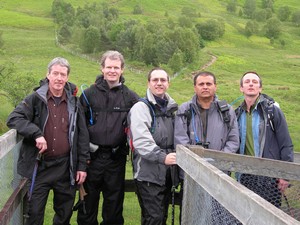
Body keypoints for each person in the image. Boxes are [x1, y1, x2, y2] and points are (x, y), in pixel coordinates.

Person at [6, 57, 90, 225]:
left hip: (66, 167)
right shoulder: (35, 99)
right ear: (48, 75)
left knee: (64, 215)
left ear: (67, 77)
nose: (59, 78)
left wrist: (82, 165)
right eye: (55, 73)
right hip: (40, 166)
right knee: (34, 213)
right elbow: (14, 118)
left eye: (63, 74)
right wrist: (36, 133)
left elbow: (82, 135)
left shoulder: (74, 102)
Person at [77, 50, 139, 225]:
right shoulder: (88, 95)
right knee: (87, 206)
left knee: (113, 208)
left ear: (122, 70)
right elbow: (79, 129)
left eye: (116, 67)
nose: (112, 71)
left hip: (116, 159)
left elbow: (145, 117)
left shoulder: (130, 96)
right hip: (92, 159)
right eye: (109, 67)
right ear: (102, 68)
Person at [174, 71, 240, 224]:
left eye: (208, 84)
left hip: (218, 175)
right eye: (201, 84)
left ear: (215, 86)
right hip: (192, 175)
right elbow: (180, 140)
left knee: (217, 216)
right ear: (195, 87)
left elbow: (233, 140)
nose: (205, 87)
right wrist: (197, 165)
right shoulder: (184, 110)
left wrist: (218, 163)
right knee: (190, 216)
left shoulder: (226, 111)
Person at [127, 68, 178, 225]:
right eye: (155, 80)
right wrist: (163, 157)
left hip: (167, 174)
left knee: (160, 217)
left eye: (163, 80)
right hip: (148, 174)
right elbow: (141, 142)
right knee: (154, 219)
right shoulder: (141, 109)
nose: (159, 83)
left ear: (168, 84)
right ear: (148, 83)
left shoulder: (172, 109)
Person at [235, 71, 294, 207]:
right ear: (241, 88)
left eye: (255, 82)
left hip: (269, 176)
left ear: (260, 88)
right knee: (245, 213)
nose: (251, 84)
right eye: (247, 82)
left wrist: (284, 175)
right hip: (246, 175)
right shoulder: (237, 114)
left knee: (269, 214)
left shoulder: (272, 111)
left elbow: (286, 143)